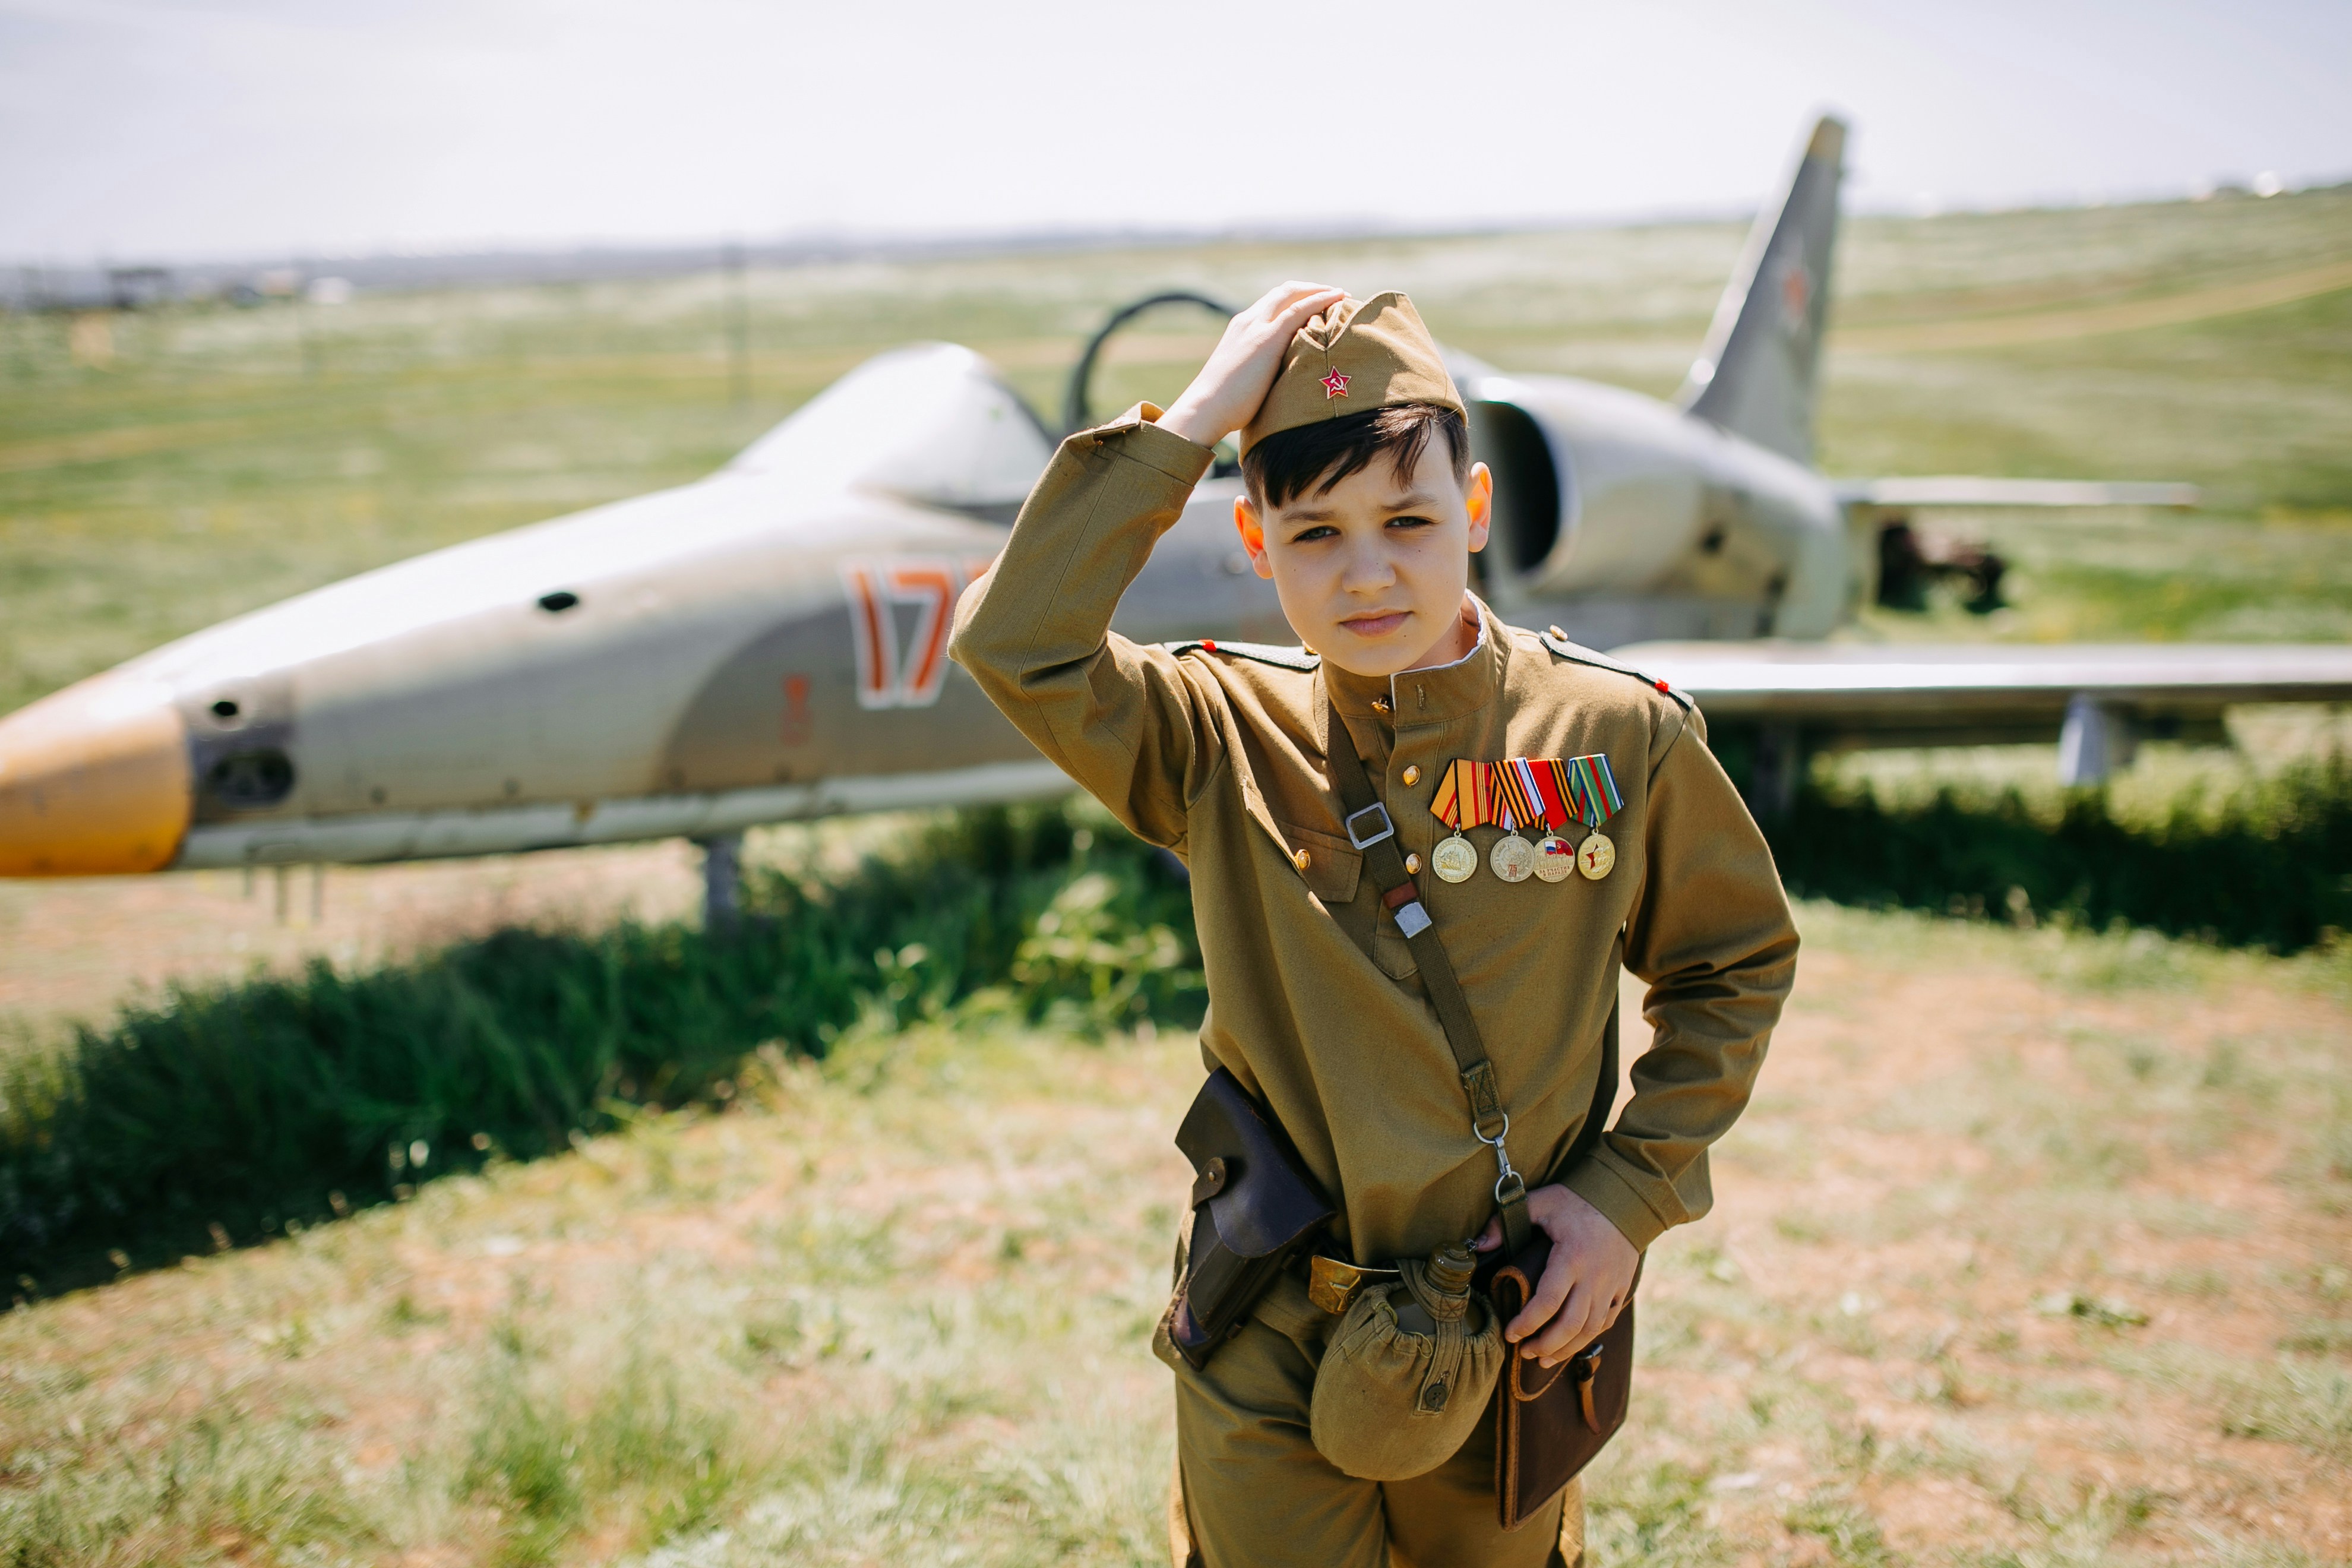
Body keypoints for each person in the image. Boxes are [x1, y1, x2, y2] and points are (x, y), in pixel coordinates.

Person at [950, 283, 1798, 1567]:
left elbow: (1732, 961)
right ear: (1255, 541)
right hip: (1264, 1322)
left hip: (1509, 1312)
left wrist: (1628, 1198)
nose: (1367, 573)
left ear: (1474, 509)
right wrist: (1187, 424)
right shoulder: (1214, 732)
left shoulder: (1612, 733)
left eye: (1408, 521)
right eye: (1316, 534)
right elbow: (1019, 644)